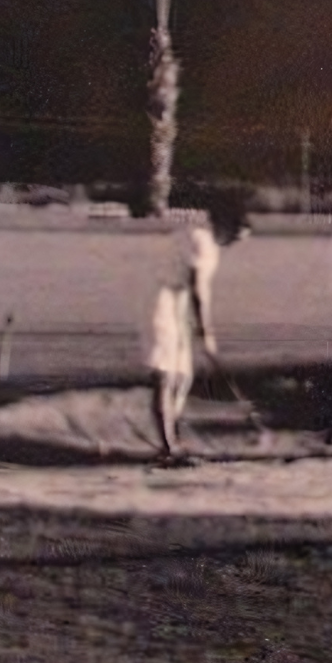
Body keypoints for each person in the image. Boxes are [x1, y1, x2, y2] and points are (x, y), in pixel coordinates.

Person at [148, 192, 251, 463]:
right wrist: (205, 331)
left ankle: (173, 440)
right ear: (226, 225)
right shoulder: (202, 241)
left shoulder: (206, 242)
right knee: (167, 375)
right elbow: (198, 289)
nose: (233, 242)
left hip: (177, 299)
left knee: (183, 375)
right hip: (161, 299)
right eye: (235, 235)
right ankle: (168, 448)